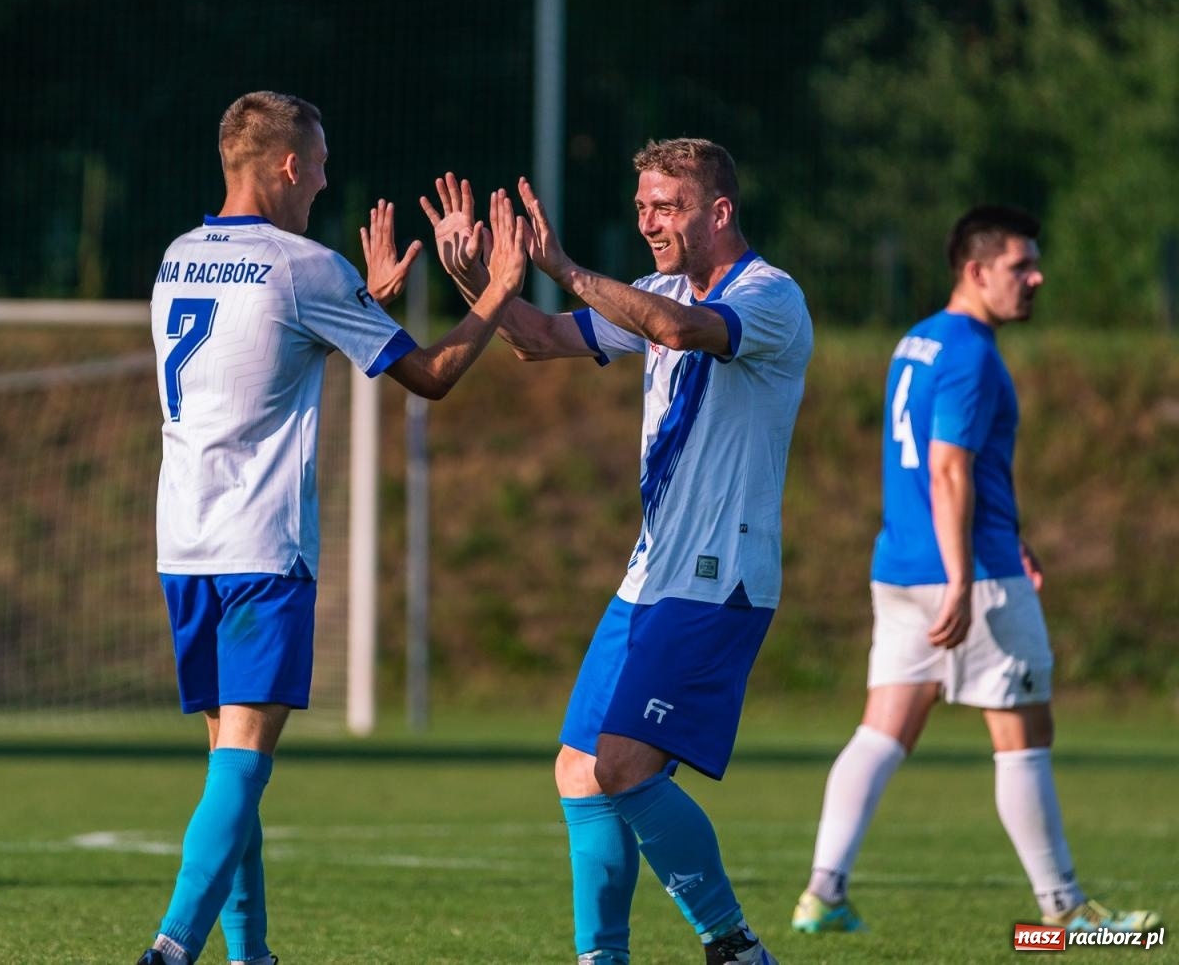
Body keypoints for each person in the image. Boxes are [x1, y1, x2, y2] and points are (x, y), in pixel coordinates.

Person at [138, 90, 529, 965]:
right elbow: (430, 374)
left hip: (182, 538)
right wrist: (500, 290)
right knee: (243, 764)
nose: (323, 177)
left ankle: (252, 955)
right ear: (284, 165)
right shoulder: (303, 265)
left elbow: (263, 344)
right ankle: (171, 948)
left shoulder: (177, 256)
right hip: (262, 544)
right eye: (316, 162)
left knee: (227, 768)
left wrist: (363, 301)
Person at [426, 139, 812, 965]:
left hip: (720, 576)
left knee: (626, 765)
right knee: (578, 769)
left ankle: (735, 947)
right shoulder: (658, 290)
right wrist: (477, 275)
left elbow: (678, 329)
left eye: (666, 206)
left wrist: (561, 262)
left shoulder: (771, 295)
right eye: (640, 207)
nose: (648, 222)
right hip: (650, 576)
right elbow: (531, 337)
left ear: (720, 211)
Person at [790, 206, 1162, 938]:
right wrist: (965, 575)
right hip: (970, 574)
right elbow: (949, 469)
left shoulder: (917, 340)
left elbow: (946, 465)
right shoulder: (970, 350)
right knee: (1024, 735)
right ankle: (1066, 910)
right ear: (975, 269)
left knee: (882, 730)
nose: (1036, 277)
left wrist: (1006, 536)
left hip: (899, 564)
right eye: (1021, 265)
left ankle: (822, 893)